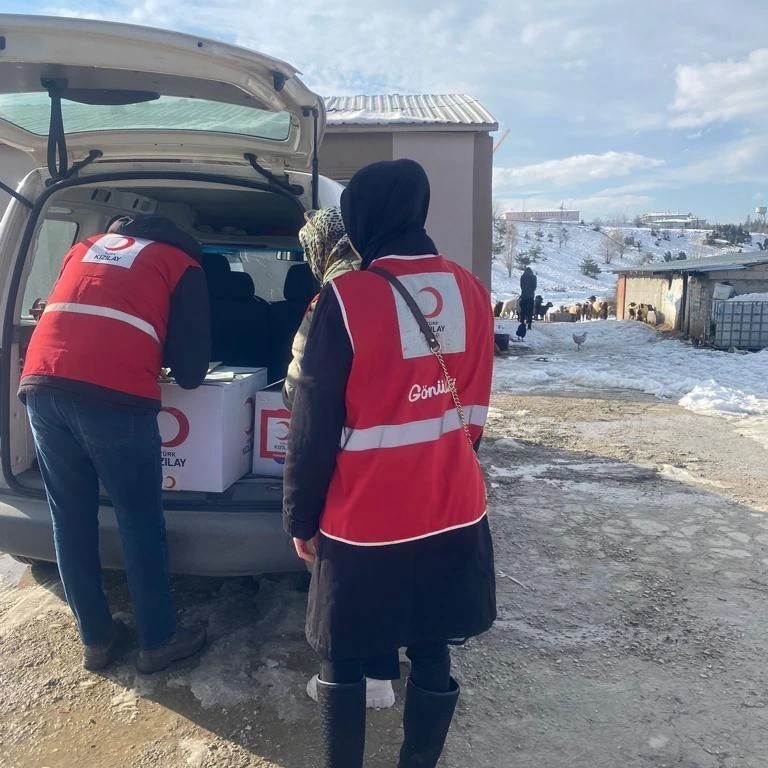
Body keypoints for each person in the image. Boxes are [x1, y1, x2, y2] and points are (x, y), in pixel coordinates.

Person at [283, 159, 496, 768]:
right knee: (432, 647)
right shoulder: (471, 291)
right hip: (450, 506)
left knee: (342, 654)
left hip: (362, 519)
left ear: (361, 220)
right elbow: (473, 410)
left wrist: (301, 518)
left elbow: (312, 427)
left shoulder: (345, 298)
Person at [19, 214, 211, 674]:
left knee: (69, 516)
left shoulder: (85, 244)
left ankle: (97, 640)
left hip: (41, 382)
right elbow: (191, 370)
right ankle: (158, 640)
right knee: (139, 518)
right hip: (114, 395)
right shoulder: (181, 264)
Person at [281, 207, 395, 710]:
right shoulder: (390, 283)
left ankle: (364, 680)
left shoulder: (334, 296)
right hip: (399, 449)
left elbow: (301, 386)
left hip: (346, 453)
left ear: (321, 248)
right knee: (389, 559)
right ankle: (387, 667)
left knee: (344, 573)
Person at [519, 266, 537, 330]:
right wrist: (530, 292)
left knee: (523, 310)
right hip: (530, 296)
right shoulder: (534, 277)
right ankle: (529, 324)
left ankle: (522, 322)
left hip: (524, 296)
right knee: (530, 310)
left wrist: (524, 292)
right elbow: (534, 287)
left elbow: (521, 286)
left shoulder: (522, 277)